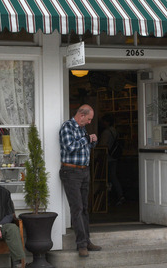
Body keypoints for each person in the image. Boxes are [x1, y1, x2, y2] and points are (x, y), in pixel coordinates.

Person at [59, 104, 102, 258]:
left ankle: (87, 240)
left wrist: (93, 140)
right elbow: (70, 147)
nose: (90, 122)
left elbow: (85, 146)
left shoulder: (82, 128)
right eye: (89, 119)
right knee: (77, 208)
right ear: (81, 115)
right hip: (71, 171)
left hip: (84, 170)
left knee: (84, 207)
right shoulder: (67, 127)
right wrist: (87, 139)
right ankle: (81, 245)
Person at [98, 114, 124, 206]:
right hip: (114, 157)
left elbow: (102, 145)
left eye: (104, 121)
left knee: (107, 178)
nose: (102, 123)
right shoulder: (114, 131)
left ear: (107, 122)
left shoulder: (106, 132)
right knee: (113, 176)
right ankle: (119, 195)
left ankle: (107, 199)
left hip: (107, 157)